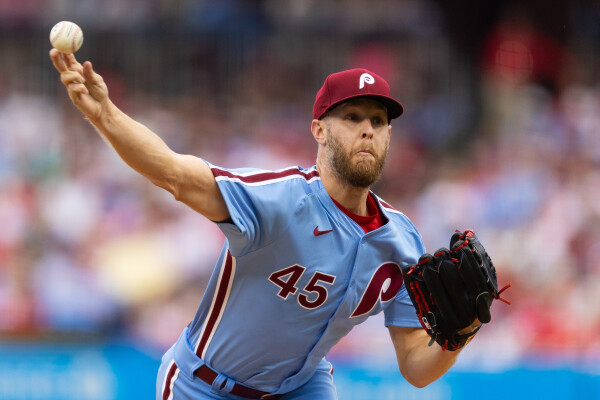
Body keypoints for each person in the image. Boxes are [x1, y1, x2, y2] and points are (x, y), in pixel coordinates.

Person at [50, 49, 481, 400]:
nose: (367, 130)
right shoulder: (279, 199)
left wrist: (460, 333)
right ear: (319, 130)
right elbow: (174, 173)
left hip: (301, 389)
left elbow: (416, 368)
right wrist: (104, 114)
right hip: (204, 386)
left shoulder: (402, 241)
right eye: (352, 118)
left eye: (378, 121)